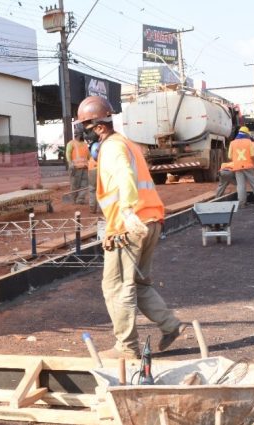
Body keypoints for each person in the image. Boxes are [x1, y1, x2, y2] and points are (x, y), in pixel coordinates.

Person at [75, 95, 183, 359]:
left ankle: (127, 348)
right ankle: (170, 325)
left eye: (86, 130)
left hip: (129, 225)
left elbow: (124, 175)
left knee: (116, 287)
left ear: (100, 126)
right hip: (149, 221)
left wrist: (125, 211)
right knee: (139, 282)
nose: (85, 137)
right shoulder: (127, 144)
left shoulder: (112, 147)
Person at [228, 126, 254, 208]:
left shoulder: (232, 143)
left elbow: (229, 156)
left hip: (237, 167)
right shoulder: (249, 142)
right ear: (246, 134)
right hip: (248, 166)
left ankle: (241, 204)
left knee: (240, 185)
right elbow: (252, 155)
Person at [66, 127, 90, 204]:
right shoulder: (71, 143)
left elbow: (89, 156)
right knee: (75, 185)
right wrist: (70, 163)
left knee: (84, 185)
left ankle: (80, 200)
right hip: (75, 168)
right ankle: (74, 199)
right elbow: (68, 154)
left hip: (85, 168)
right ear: (79, 135)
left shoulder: (85, 145)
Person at [87, 141, 99, 213]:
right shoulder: (102, 158)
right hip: (101, 171)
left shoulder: (91, 159)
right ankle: (102, 208)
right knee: (102, 190)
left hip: (91, 172)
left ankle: (92, 208)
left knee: (92, 190)